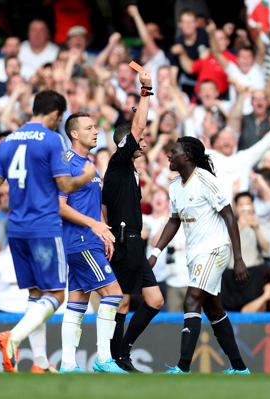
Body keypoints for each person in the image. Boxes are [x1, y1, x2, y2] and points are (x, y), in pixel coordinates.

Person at [0, 90, 96, 373]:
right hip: (44, 226)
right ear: (54, 115)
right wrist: (86, 176)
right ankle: (11, 337)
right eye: (59, 118)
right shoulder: (52, 139)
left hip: (16, 229)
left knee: (36, 294)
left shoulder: (6, 142)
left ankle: (39, 362)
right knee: (56, 295)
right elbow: (65, 186)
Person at [149, 136, 250, 374]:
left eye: (173, 151)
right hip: (195, 256)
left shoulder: (206, 180)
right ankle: (239, 368)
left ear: (187, 156)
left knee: (191, 300)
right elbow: (173, 222)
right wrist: (155, 253)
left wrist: (238, 259)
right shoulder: (174, 185)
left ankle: (182, 367)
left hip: (215, 250)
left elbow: (229, 217)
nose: (168, 155)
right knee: (213, 309)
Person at [102, 71, 164, 372]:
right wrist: (146, 90)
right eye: (140, 137)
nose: (144, 140)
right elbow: (138, 124)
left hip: (134, 243)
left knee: (155, 301)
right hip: (125, 242)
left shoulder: (130, 172)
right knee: (122, 304)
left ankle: (122, 351)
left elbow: (103, 206)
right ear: (127, 142)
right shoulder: (118, 162)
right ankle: (116, 359)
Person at [58, 112, 126, 374]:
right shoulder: (67, 163)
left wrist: (103, 231)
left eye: (95, 127)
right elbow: (59, 206)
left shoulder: (89, 164)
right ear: (74, 134)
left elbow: (93, 204)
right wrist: (93, 226)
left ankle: (67, 364)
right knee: (114, 294)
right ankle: (103, 358)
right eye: (89, 128)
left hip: (89, 240)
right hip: (80, 240)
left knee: (77, 302)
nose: (95, 131)